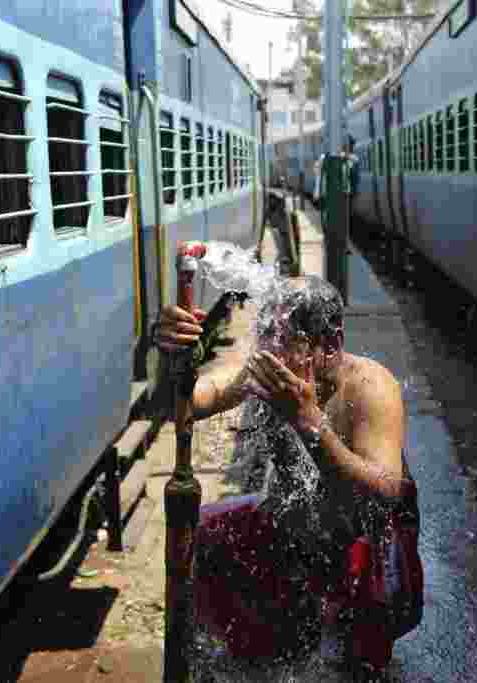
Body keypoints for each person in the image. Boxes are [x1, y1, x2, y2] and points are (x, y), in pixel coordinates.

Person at [154, 276, 423, 680]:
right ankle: (263, 647)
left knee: (358, 640)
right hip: (298, 528)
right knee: (211, 532)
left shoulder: (370, 386)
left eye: (282, 341)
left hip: (364, 541)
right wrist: (176, 360)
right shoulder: (268, 368)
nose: (268, 356)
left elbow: (384, 493)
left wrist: (311, 424)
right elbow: (190, 404)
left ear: (329, 346)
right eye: (264, 339)